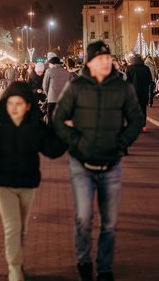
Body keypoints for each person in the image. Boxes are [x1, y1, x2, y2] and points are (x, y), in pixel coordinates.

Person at [53, 41, 143, 281]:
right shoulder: (76, 87)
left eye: (108, 58)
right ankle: (83, 260)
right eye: (100, 58)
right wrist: (76, 142)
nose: (106, 61)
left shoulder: (122, 88)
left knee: (110, 223)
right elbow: (58, 118)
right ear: (89, 63)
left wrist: (121, 142)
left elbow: (136, 118)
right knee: (83, 218)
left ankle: (104, 268)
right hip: (81, 163)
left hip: (111, 163)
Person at [0, 81, 67, 281]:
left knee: (22, 228)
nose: (14, 108)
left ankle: (18, 263)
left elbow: (52, 150)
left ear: (28, 106)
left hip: (27, 183)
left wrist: (66, 131)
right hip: (3, 184)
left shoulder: (36, 127)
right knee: (12, 226)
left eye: (19, 103)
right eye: (10, 104)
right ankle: (14, 269)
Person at [125, 53, 153, 132]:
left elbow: (128, 81)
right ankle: (142, 125)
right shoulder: (146, 68)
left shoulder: (130, 68)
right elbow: (150, 80)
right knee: (143, 109)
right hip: (144, 92)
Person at [43, 53, 72, 122]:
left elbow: (45, 86)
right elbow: (71, 85)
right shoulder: (66, 72)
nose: (49, 65)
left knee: (51, 120)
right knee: (62, 120)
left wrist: (48, 94)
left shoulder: (48, 71)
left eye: (49, 63)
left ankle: (51, 132)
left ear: (52, 64)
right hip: (63, 100)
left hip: (52, 99)